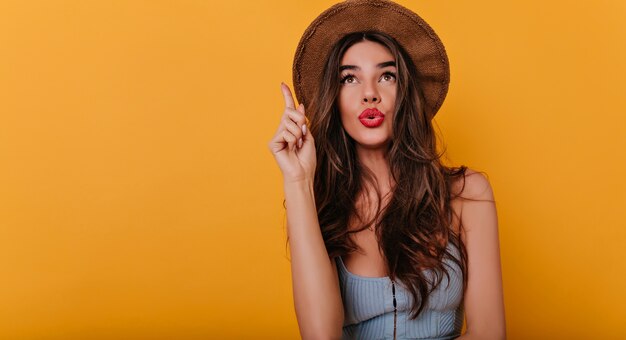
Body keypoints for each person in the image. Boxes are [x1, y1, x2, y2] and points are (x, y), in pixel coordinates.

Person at [268, 1, 505, 339]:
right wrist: (297, 180)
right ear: (333, 99)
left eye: (387, 76)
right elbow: (321, 335)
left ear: (406, 92)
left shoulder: (468, 193)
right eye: (350, 78)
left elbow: (489, 333)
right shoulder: (315, 202)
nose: (370, 94)